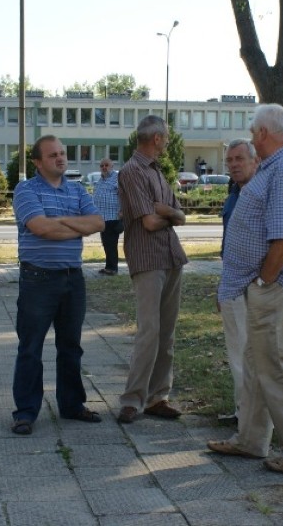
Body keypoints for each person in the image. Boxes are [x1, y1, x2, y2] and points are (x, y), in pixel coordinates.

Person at [207, 103, 283, 474]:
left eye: (253, 130)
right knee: (258, 363)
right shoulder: (277, 168)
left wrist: (263, 280)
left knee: (278, 365)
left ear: (263, 133)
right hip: (265, 284)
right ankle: (251, 439)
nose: (253, 136)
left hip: (278, 284)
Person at [10, 135, 105, 435]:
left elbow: (99, 223)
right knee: (31, 348)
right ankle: (25, 413)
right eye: (52, 155)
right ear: (38, 162)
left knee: (71, 347)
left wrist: (58, 223)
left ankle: (72, 405)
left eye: (62, 153)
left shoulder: (76, 189)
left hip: (72, 279)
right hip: (38, 280)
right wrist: (75, 225)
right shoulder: (26, 189)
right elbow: (40, 228)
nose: (60, 159)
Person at [116, 115, 189, 424]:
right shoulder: (132, 172)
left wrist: (168, 211)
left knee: (167, 333)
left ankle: (159, 396)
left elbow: (181, 217)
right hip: (147, 260)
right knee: (150, 332)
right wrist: (167, 214)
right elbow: (148, 222)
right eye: (167, 136)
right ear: (157, 138)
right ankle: (132, 400)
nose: (169, 140)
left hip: (171, 257)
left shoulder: (157, 172)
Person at [216, 139, 260, 425]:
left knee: (252, 353)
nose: (233, 165)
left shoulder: (259, 195)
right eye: (230, 160)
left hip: (254, 285)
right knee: (237, 351)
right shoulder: (234, 193)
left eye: (239, 159)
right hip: (232, 283)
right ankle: (242, 411)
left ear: (255, 161)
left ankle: (252, 418)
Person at [92, 157, 123, 275]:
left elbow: (126, 195)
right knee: (106, 243)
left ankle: (113, 268)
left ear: (112, 166)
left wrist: (123, 212)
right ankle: (108, 267)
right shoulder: (100, 180)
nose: (104, 167)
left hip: (113, 217)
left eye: (106, 165)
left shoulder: (118, 178)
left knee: (111, 243)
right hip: (102, 218)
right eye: (102, 166)